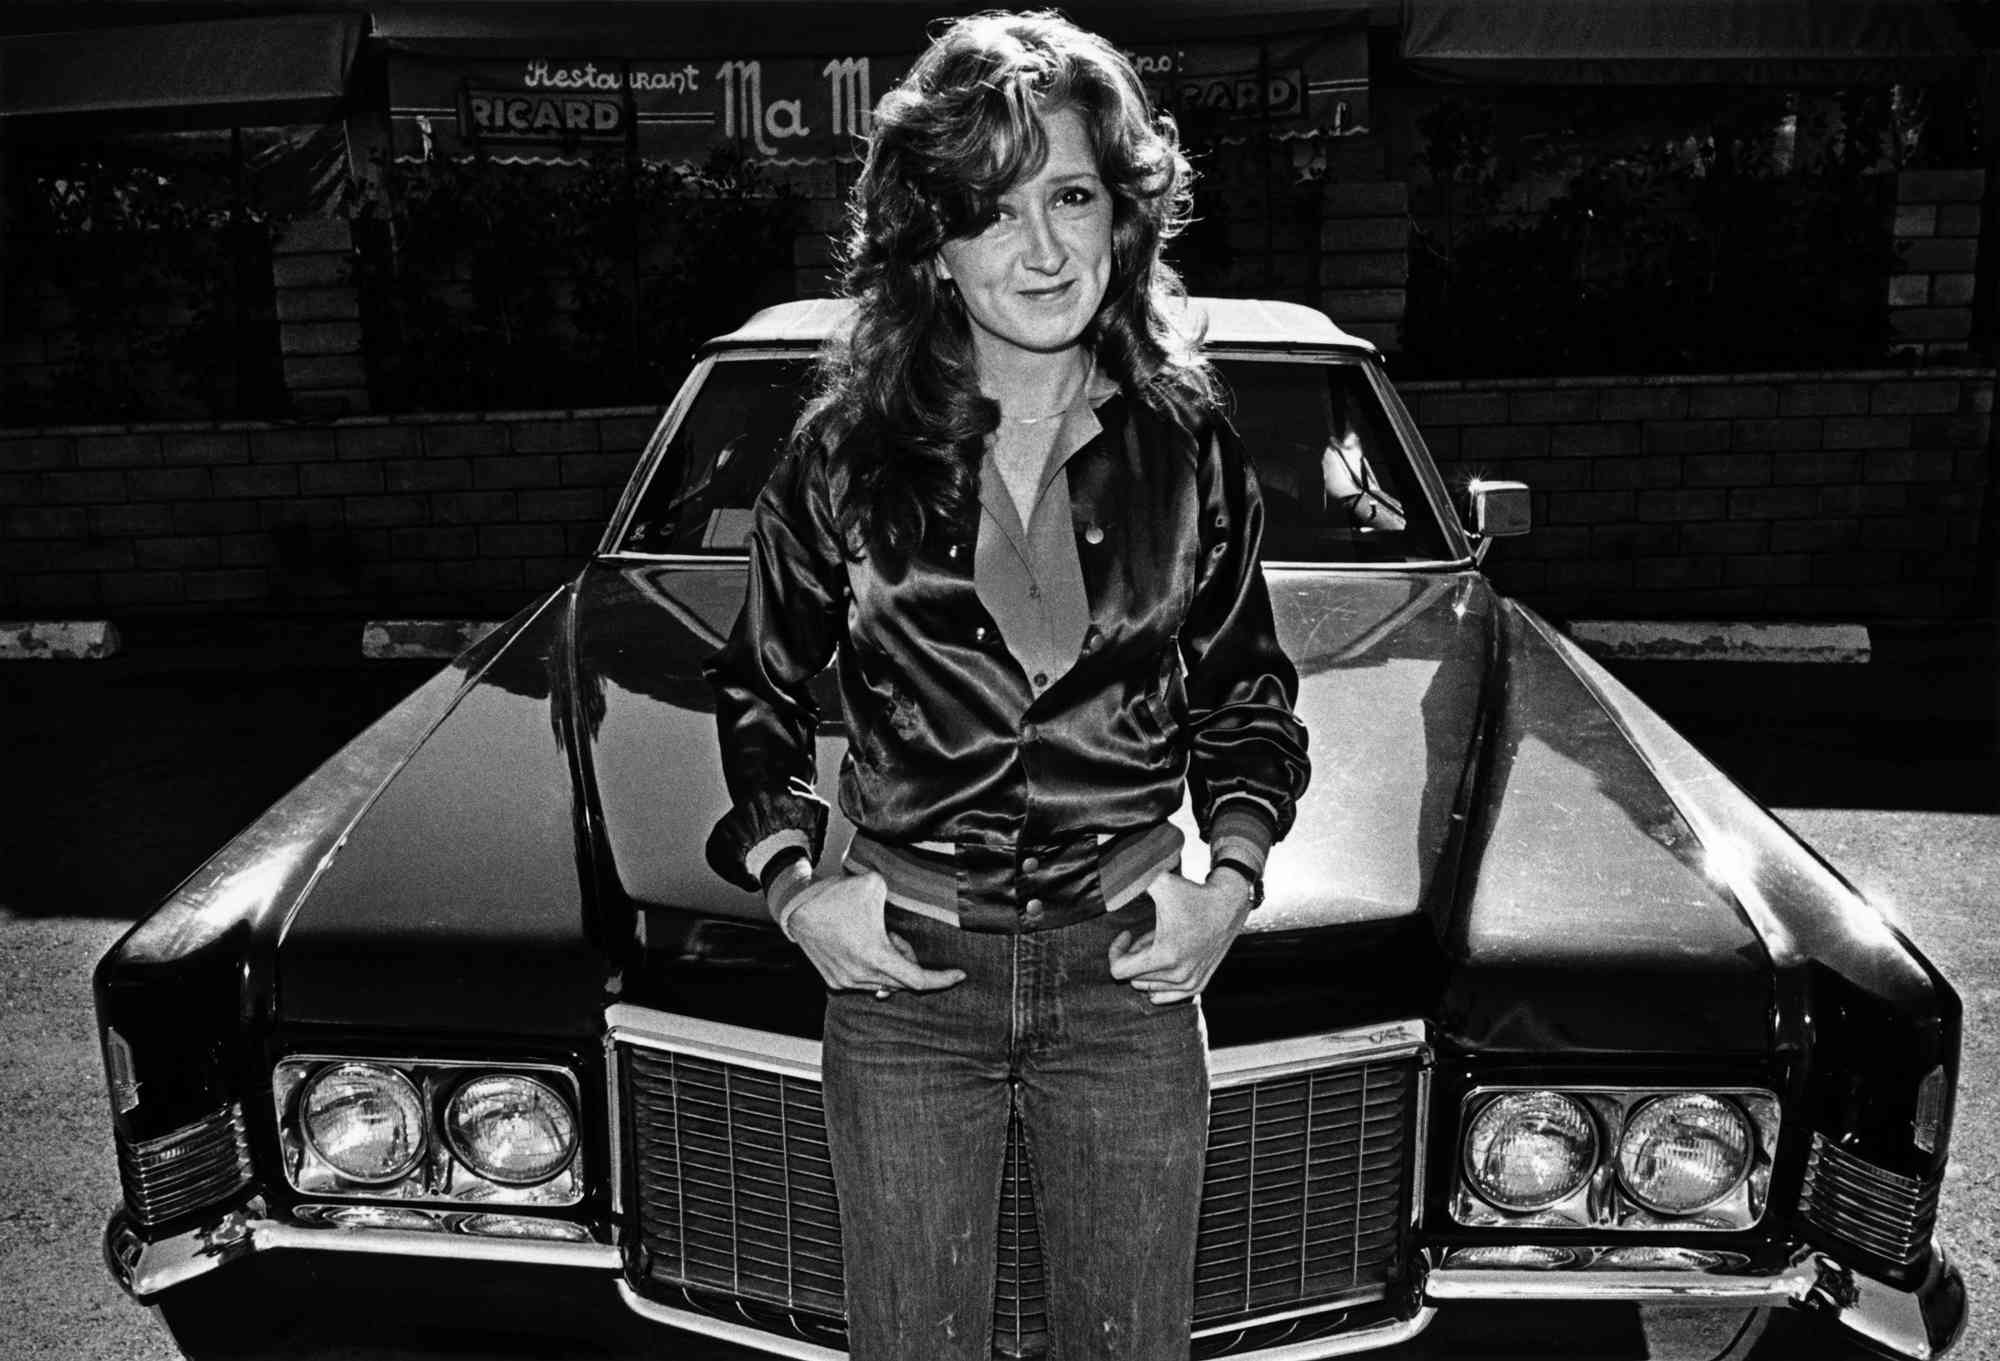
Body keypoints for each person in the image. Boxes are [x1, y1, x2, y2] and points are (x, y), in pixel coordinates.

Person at [702, 12, 1310, 1359]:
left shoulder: (1191, 447)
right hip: (907, 984)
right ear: (932, 236)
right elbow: (756, 686)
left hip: (1132, 982)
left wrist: (1234, 879)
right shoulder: (844, 456)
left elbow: (1247, 692)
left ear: (1125, 212)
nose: (1041, 249)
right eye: (990, 208)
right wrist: (797, 884)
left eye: (1073, 195)